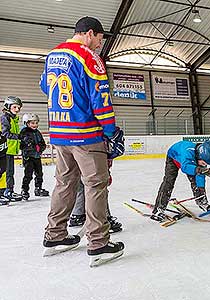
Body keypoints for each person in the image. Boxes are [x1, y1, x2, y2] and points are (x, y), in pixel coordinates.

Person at [39, 16, 124, 267]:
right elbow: (100, 98)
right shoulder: (89, 57)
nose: (99, 44)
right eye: (99, 38)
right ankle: (98, 244)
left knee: (64, 184)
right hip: (86, 134)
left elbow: (46, 86)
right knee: (95, 185)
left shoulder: (53, 55)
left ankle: (55, 236)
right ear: (89, 33)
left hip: (59, 133)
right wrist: (110, 131)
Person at [151, 140, 210, 222]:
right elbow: (185, 167)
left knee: (197, 181)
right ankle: (158, 209)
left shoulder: (202, 157)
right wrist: (200, 170)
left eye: (205, 164)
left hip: (189, 162)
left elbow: (200, 176)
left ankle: (202, 202)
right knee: (168, 182)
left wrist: (201, 188)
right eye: (204, 163)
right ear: (199, 156)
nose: (204, 165)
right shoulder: (188, 152)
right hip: (173, 158)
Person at [69, 161, 122, 233]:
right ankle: (103, 220)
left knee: (80, 185)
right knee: (98, 188)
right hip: (92, 161)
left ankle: (78, 216)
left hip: (75, 160)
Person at [19, 113, 50, 201]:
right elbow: (22, 145)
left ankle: (38, 188)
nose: (35, 125)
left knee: (39, 174)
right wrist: (32, 146)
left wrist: (40, 148)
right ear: (26, 123)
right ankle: (24, 190)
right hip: (28, 157)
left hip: (37, 157)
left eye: (36, 123)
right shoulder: (24, 132)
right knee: (28, 175)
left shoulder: (37, 132)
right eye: (32, 123)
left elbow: (43, 143)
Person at [1, 96, 23, 201]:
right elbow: (5, 133)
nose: (17, 110)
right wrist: (19, 137)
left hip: (10, 149)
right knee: (6, 172)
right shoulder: (6, 118)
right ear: (8, 107)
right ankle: (7, 191)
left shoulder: (13, 118)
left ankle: (9, 190)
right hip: (5, 149)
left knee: (10, 172)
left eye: (19, 107)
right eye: (15, 107)